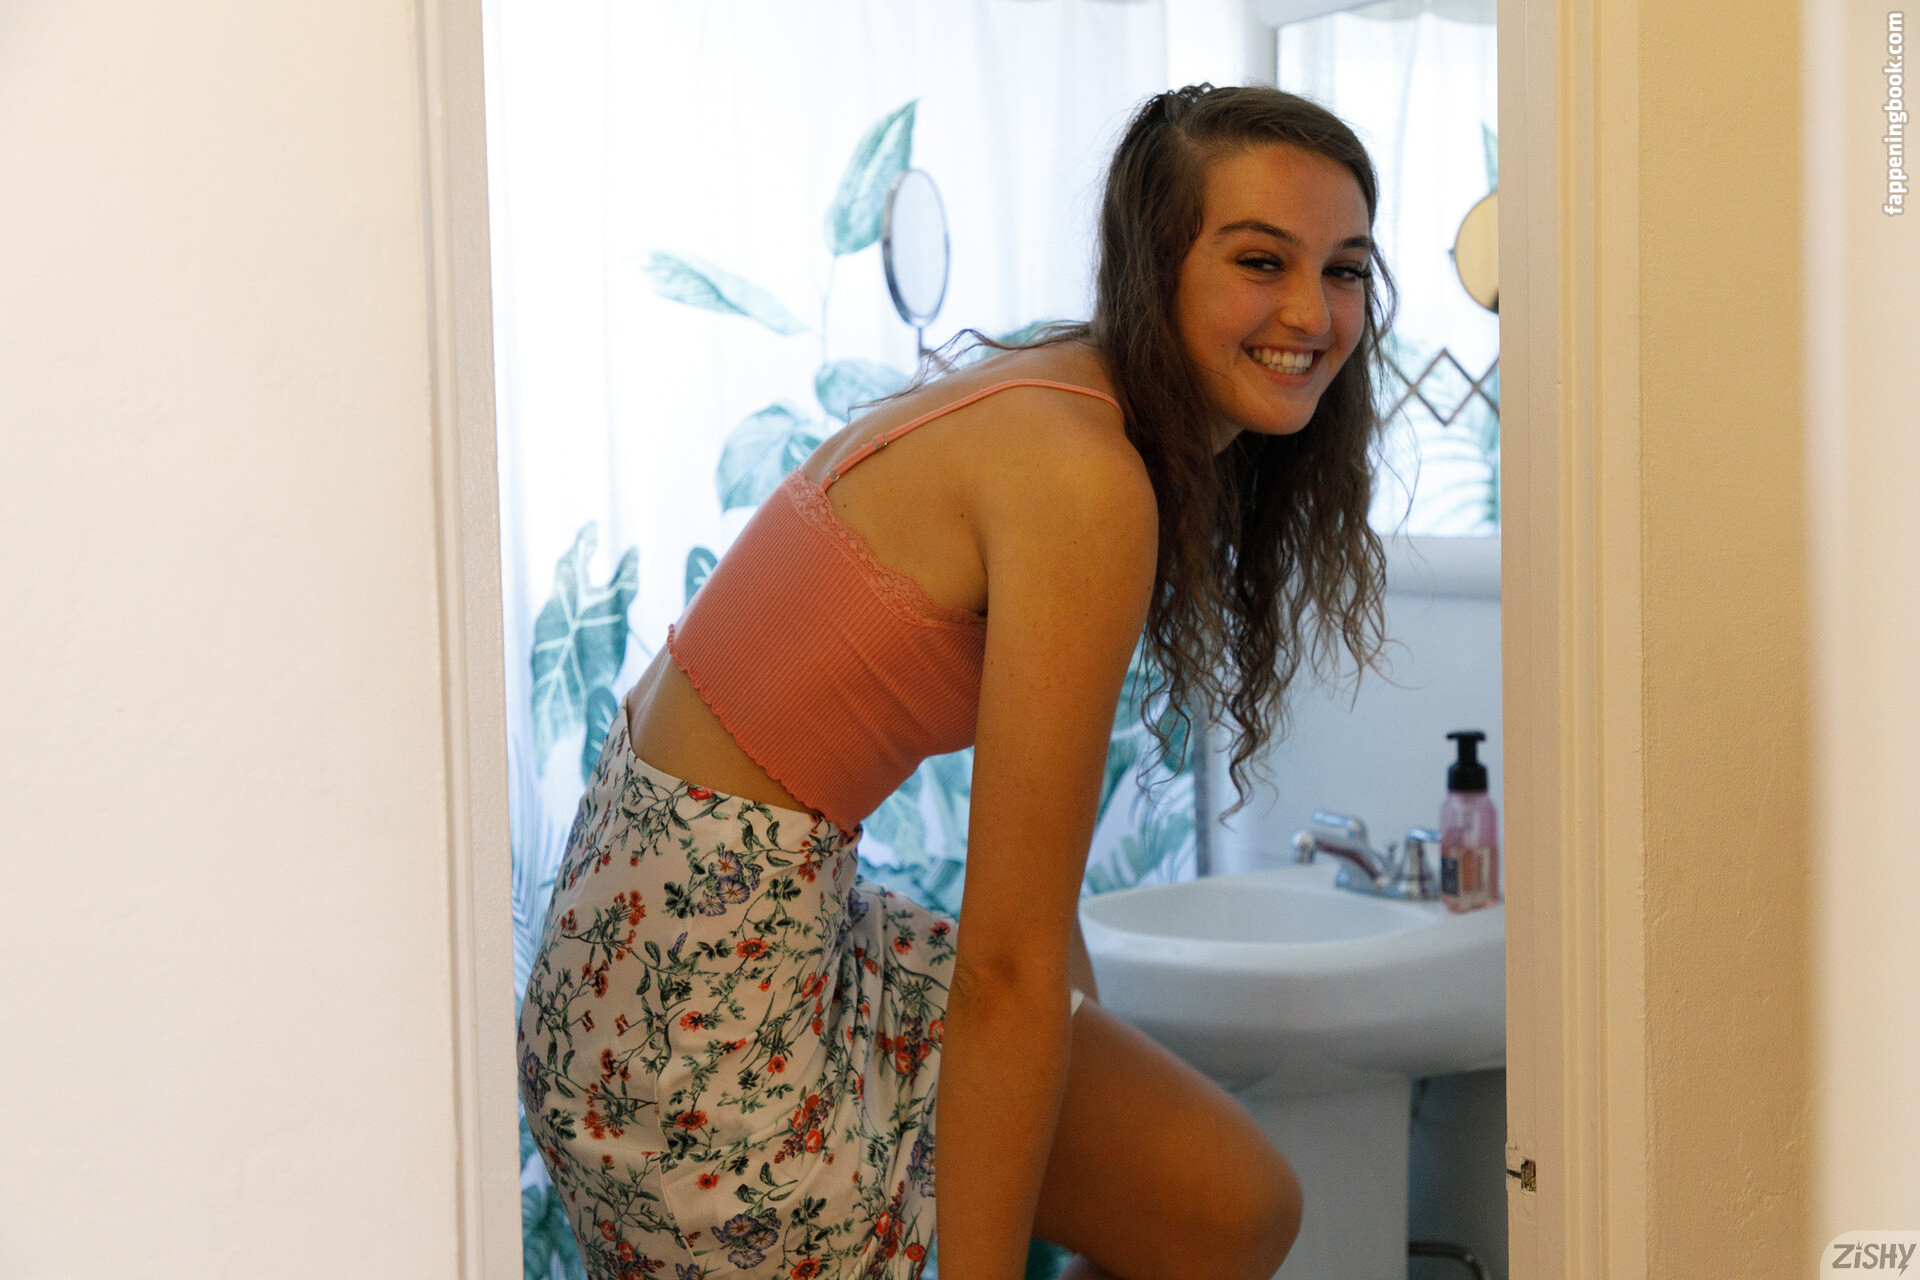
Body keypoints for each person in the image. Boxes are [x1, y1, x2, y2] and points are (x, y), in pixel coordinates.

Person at [517, 83, 1398, 1280]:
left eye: (1345, 269)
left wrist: (1088, 1081)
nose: (1311, 311)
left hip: (631, 968)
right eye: (1260, 259)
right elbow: (1009, 965)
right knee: (1230, 1207)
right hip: (704, 1023)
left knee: (1226, 1203)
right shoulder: (1083, 478)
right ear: (1155, 262)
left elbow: (1037, 913)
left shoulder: (1052, 396)